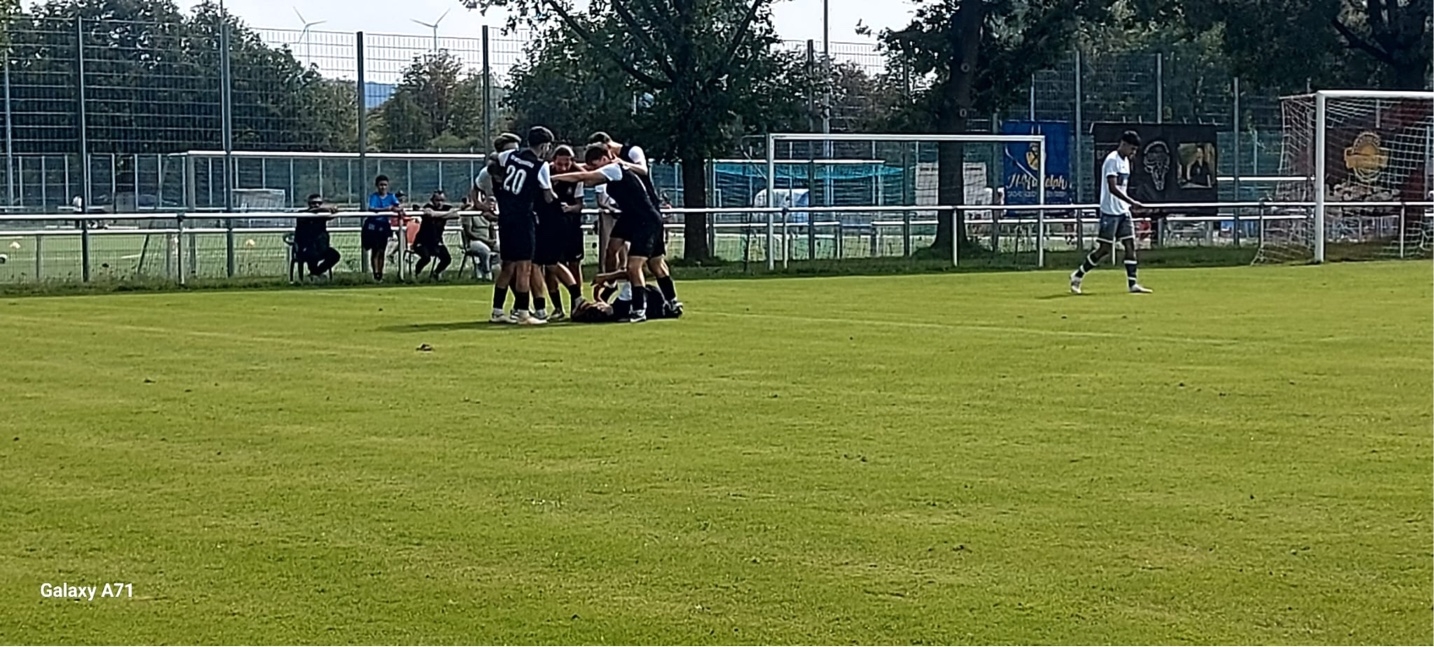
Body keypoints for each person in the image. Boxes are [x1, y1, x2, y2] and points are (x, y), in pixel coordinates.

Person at [551, 143, 665, 323]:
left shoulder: (614, 168)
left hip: (644, 220)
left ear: (605, 158)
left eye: (596, 165)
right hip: (632, 217)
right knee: (614, 250)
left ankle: (639, 310)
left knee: (635, 266)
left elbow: (584, 176)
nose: (595, 170)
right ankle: (616, 287)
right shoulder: (611, 169)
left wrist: (552, 177)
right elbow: (587, 175)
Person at [586, 132, 681, 312]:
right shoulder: (607, 166)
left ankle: (660, 303)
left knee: (648, 264)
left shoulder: (631, 152)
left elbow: (643, 170)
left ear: (607, 146)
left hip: (645, 212)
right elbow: (588, 172)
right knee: (612, 249)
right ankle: (612, 284)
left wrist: (622, 164)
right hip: (628, 212)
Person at [1071, 130, 1153, 295]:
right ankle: (1077, 275)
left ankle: (1132, 284)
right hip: (1110, 211)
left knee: (1130, 245)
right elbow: (1113, 188)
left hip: (1123, 211)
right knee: (1105, 249)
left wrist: (1127, 205)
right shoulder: (1111, 160)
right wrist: (1132, 201)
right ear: (1124, 144)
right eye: (1132, 149)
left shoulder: (1126, 162)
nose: (1133, 153)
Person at [491, 126, 557, 325]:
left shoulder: (510, 155)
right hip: (522, 218)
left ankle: (497, 311)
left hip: (505, 216)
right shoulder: (540, 165)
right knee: (524, 266)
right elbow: (548, 195)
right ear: (544, 146)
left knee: (508, 265)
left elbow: (494, 159)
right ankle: (522, 312)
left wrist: (500, 179)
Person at [536, 145, 589, 321]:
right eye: (560, 164)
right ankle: (557, 307)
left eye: (567, 164)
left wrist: (570, 208)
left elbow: (579, 204)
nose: (563, 168)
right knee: (551, 265)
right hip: (549, 226)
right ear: (553, 161)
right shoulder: (545, 171)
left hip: (571, 226)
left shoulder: (577, 176)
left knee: (574, 264)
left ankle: (576, 304)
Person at [414, 189, 461, 280]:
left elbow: (456, 215)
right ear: (432, 200)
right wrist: (446, 214)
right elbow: (429, 213)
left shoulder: (446, 208)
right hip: (422, 241)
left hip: (436, 241)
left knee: (447, 259)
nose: (440, 203)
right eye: (437, 200)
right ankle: (416, 275)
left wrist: (436, 214)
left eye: (442, 200)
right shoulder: (428, 207)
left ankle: (435, 274)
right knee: (426, 257)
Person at [365, 175, 404, 282]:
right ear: (377, 186)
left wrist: (398, 209)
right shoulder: (374, 197)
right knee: (375, 251)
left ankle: (380, 274)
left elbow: (397, 206)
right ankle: (375, 274)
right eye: (381, 185)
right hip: (374, 225)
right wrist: (386, 209)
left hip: (384, 225)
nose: (383, 187)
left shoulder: (391, 197)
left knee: (382, 250)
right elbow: (372, 208)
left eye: (385, 185)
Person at [294, 193, 341, 277]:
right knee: (312, 254)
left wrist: (329, 209)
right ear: (309, 204)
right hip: (306, 248)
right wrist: (323, 209)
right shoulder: (302, 214)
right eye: (314, 203)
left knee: (335, 255)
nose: (317, 205)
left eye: (319, 203)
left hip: (322, 248)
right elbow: (311, 212)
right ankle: (315, 274)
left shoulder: (322, 215)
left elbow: (335, 210)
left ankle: (316, 273)